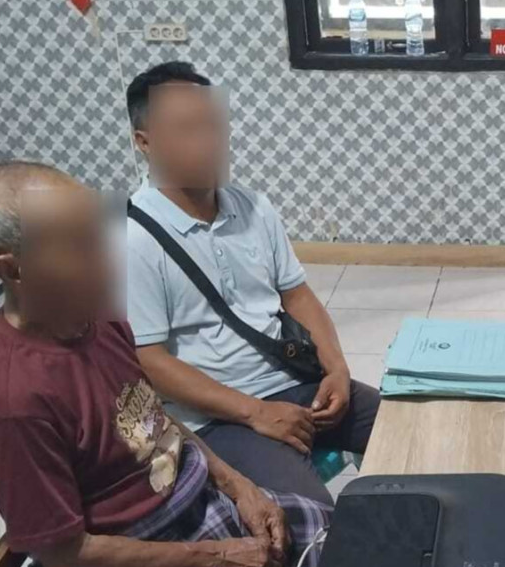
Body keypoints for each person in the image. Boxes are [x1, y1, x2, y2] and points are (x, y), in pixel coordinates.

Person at [0, 162, 330, 567]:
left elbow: (152, 420)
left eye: (101, 238)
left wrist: (240, 487)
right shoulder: (12, 403)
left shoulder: (96, 320)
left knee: (367, 552)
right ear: (13, 270)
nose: (110, 263)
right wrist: (215, 558)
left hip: (198, 510)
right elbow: (66, 554)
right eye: (81, 248)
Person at [122, 61, 379, 506]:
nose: (209, 143)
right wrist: (256, 412)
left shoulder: (253, 207)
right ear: (144, 142)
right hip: (219, 417)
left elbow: (297, 295)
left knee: (418, 432)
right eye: (187, 130)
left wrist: (337, 369)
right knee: (314, 521)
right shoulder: (131, 238)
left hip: (295, 379)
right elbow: (149, 360)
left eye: (214, 126)